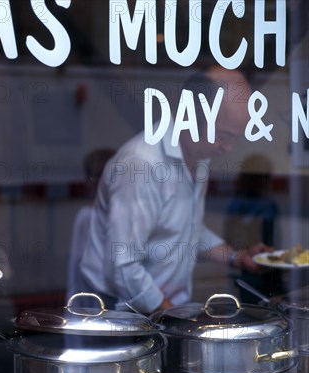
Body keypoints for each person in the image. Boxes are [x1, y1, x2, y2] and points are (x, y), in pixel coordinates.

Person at [80, 66, 270, 314]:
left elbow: (186, 229)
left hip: (163, 309)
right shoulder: (142, 164)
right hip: (117, 313)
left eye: (235, 138)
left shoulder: (200, 155)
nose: (228, 148)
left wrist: (237, 257)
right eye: (223, 136)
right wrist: (173, 319)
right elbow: (122, 266)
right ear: (192, 116)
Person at [224, 154, 284, 303]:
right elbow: (230, 241)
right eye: (259, 178)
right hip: (249, 273)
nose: (263, 182)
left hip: (270, 270)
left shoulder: (269, 204)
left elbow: (275, 239)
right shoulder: (238, 205)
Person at [67, 148, 115, 297]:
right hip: (93, 300)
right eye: (94, 176)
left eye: (103, 175)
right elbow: (77, 270)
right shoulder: (87, 217)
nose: (97, 182)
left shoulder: (122, 216)